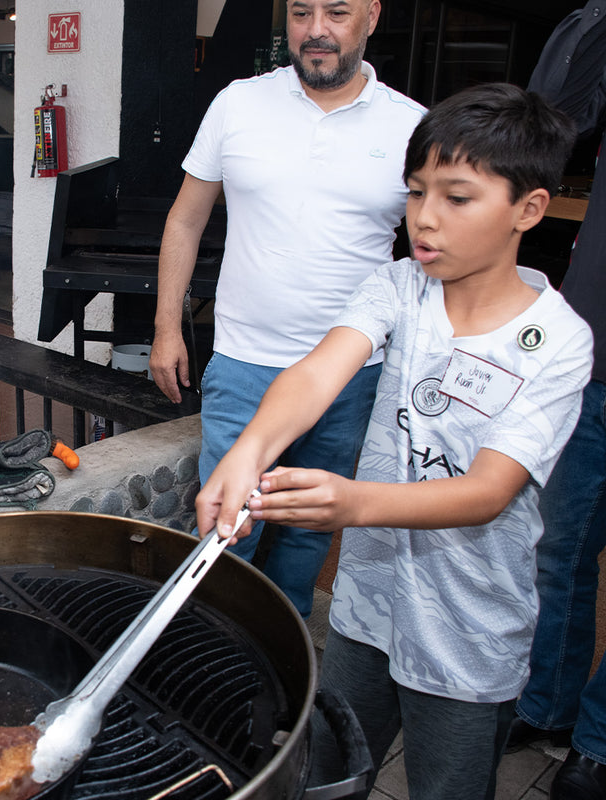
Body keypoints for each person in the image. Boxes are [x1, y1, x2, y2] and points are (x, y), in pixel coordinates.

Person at [196, 83, 593, 799]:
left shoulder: (557, 342)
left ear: (528, 210)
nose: (425, 219)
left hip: (469, 633)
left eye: (457, 197)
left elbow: (488, 492)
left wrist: (352, 503)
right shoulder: (399, 287)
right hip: (365, 609)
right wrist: (247, 450)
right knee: (331, 770)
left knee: (447, 786)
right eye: (414, 194)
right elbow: (316, 373)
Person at [149, 0, 425, 618]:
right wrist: (167, 327)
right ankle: (213, 681)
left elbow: (432, 252)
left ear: (372, 17)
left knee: (302, 547)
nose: (317, 30)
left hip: (352, 378)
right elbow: (185, 219)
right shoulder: (238, 103)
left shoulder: (412, 127)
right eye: (301, 14)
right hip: (244, 364)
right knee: (223, 545)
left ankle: (279, 692)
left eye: (337, 12)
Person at [502, 4, 606, 799]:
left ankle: (599, 739)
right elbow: (551, 108)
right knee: (560, 550)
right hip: (596, 361)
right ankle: (547, 705)